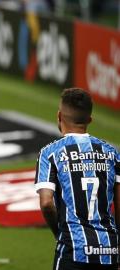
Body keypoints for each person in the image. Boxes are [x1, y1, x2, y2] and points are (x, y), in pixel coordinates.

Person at [35, 88, 120, 270]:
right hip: (109, 250)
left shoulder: (50, 153)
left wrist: (59, 232)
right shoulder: (111, 153)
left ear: (59, 116)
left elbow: (46, 203)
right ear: (89, 120)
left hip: (73, 249)